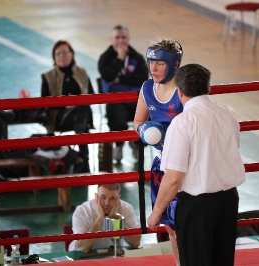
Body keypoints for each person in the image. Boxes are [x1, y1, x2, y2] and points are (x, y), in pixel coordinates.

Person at [147, 64, 246, 266]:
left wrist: (156, 213)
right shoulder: (229, 113)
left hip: (197, 206)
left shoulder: (183, 122)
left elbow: (173, 178)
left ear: (179, 91)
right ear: (207, 87)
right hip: (228, 200)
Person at [133, 38, 183, 266]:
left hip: (184, 167)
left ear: (173, 64)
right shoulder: (147, 88)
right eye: (151, 62)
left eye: (159, 63)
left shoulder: (184, 90)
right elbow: (137, 121)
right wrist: (147, 130)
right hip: (160, 164)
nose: (153, 68)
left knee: (186, 226)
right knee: (171, 228)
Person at [41, 40, 95, 172]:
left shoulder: (82, 72)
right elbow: (44, 103)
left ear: (72, 54)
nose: (62, 56)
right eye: (57, 54)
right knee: (82, 113)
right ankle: (84, 159)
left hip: (80, 114)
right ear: (54, 57)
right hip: (59, 116)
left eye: (65, 52)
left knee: (81, 111)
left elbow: (92, 95)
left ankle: (82, 159)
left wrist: (76, 103)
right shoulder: (48, 77)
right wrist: (64, 104)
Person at [98, 25, 148, 163]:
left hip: (135, 100)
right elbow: (107, 76)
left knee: (150, 115)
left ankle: (137, 143)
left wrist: (120, 79)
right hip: (116, 100)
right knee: (117, 115)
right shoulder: (105, 58)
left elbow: (143, 78)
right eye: (117, 37)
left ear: (129, 39)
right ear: (111, 39)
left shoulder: (137, 57)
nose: (120, 41)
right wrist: (120, 58)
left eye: (123, 37)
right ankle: (118, 144)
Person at [69, 183, 141, 253]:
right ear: (96, 196)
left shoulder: (126, 208)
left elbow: (135, 243)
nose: (107, 203)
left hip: (110, 254)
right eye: (103, 197)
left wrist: (115, 219)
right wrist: (99, 218)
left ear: (118, 198)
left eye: (112, 198)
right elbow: (84, 248)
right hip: (80, 255)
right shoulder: (83, 211)